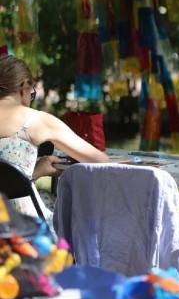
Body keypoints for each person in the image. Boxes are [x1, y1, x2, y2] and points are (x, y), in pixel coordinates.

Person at [0, 55, 109, 225]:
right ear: (23, 86)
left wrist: (35, 172)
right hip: (23, 227)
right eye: (32, 93)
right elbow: (100, 160)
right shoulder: (35, 120)